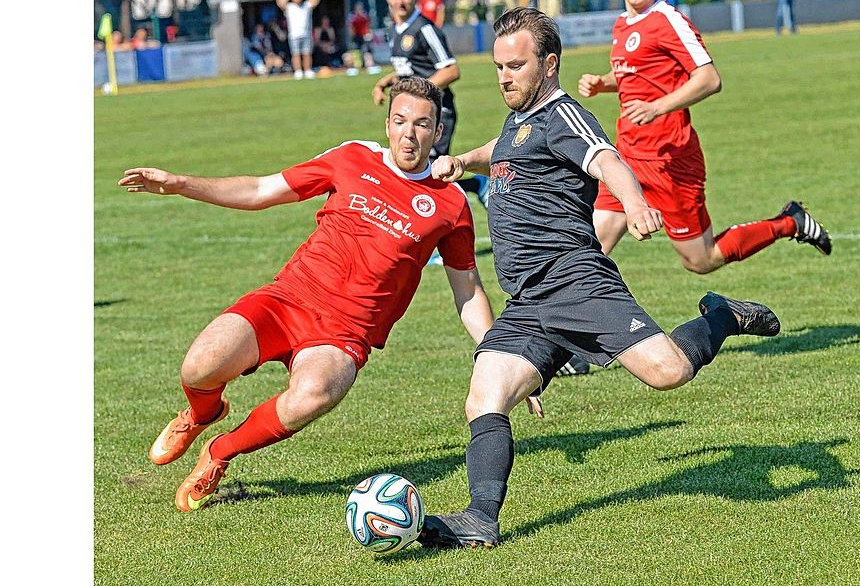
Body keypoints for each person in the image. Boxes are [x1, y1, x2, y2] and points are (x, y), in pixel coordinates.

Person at [418, 7, 782, 549]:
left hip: (576, 284)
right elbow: (508, 149)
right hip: (529, 299)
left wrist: (633, 204)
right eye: (498, 67)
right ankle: (480, 518)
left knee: (667, 373)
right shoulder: (521, 114)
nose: (504, 77)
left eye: (516, 66)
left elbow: (608, 160)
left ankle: (722, 317)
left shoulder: (565, 114)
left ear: (549, 65)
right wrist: (464, 159)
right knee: (484, 395)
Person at [118, 77, 542, 512]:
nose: (408, 134)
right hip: (288, 300)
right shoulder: (351, 157)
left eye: (421, 124)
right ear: (387, 123)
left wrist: (501, 356)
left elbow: (467, 292)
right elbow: (262, 190)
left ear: (437, 132)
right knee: (198, 367)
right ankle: (202, 414)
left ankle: (219, 452)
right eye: (399, 121)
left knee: (315, 394)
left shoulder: (450, 203)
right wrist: (181, 183)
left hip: (345, 333)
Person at [577, 0, 828, 277]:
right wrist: (604, 83)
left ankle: (789, 222)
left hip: (671, 160)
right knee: (589, 251)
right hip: (627, 157)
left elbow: (709, 79)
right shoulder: (623, 24)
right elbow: (636, 76)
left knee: (701, 259)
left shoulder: (668, 21)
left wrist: (658, 107)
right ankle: (561, 324)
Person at [373, 0, 489, 210]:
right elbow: (411, 70)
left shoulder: (424, 29)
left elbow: (450, 70)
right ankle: (475, 185)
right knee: (420, 173)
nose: (400, 1)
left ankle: (443, 231)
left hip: (437, 113)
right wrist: (385, 82)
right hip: (414, 117)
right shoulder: (396, 29)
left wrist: (420, 95)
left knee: (430, 174)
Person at [276, 0, 320, 79]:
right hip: (294, 35)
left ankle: (307, 70)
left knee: (306, 53)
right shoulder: (290, 7)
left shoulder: (306, 5)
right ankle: (298, 71)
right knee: (295, 54)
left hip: (306, 34)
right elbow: (279, 1)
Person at [347, 3, 376, 70]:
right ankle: (358, 66)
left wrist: (369, 33)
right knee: (357, 51)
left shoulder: (364, 16)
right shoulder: (353, 17)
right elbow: (351, 27)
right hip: (356, 36)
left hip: (364, 36)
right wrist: (352, 35)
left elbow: (368, 25)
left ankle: (369, 65)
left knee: (366, 51)